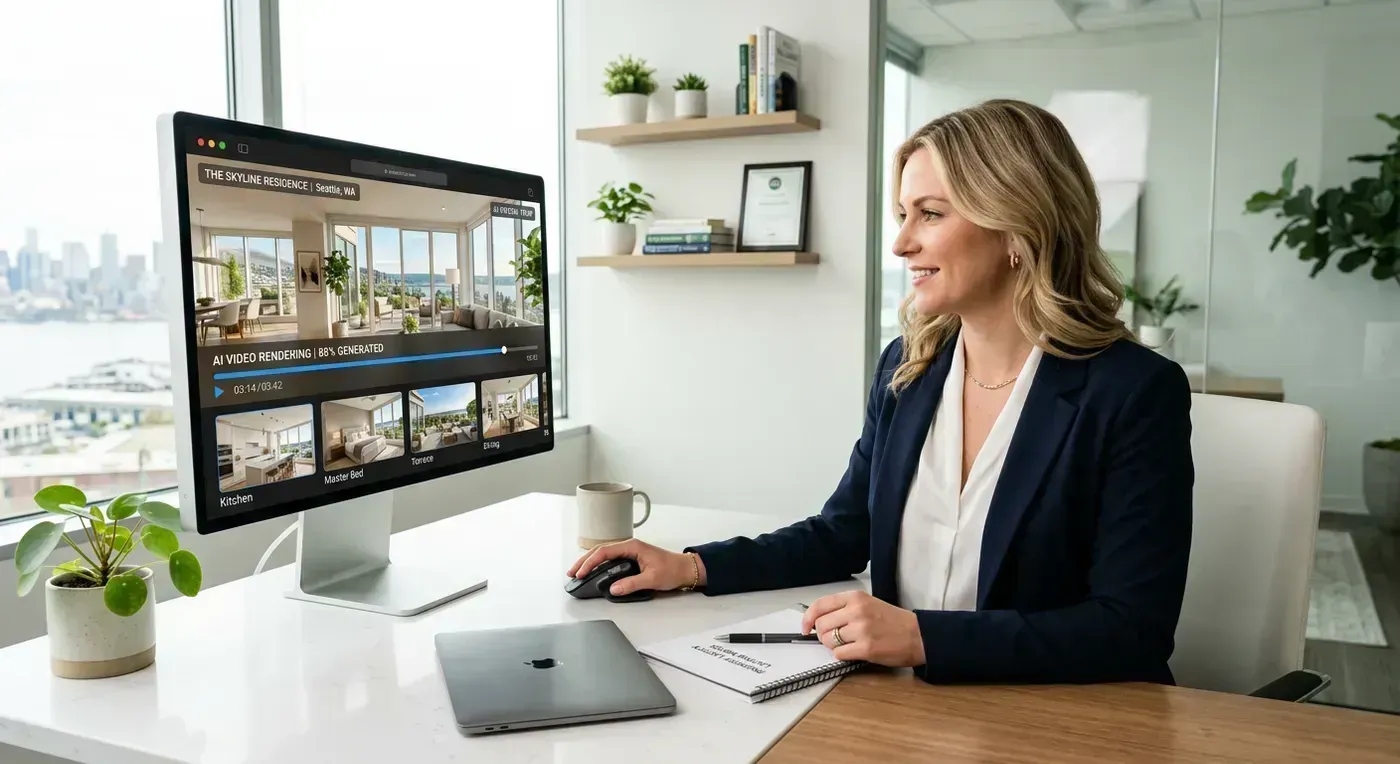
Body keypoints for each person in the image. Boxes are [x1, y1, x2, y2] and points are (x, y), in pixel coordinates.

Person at [568, 99, 1193, 685]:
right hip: (903, 703)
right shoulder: (909, 368)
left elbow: (1132, 628)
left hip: (1061, 719)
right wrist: (690, 567)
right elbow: (843, 533)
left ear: (1016, 225)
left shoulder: (1134, 391)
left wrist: (923, 638)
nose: (901, 243)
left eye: (931, 213)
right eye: (902, 215)